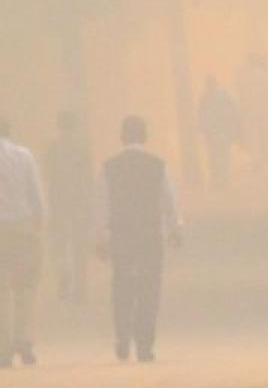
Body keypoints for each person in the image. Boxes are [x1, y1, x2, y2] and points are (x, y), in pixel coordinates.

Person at [98, 116, 183, 364]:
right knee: (149, 287)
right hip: (149, 234)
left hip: (121, 234)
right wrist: (174, 229)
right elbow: (168, 200)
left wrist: (100, 235)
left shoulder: (109, 167)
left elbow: (101, 204)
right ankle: (144, 344)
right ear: (145, 136)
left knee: (122, 284)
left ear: (122, 136)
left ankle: (122, 336)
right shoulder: (158, 166)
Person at [0, 118, 46, 367]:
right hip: (22, 228)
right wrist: (39, 224)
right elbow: (36, 192)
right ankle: (23, 339)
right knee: (25, 287)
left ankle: (3, 348)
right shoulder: (23, 155)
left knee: (1, 291)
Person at [42, 111, 94, 303]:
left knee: (60, 243)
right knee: (79, 245)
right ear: (75, 126)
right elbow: (88, 178)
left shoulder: (52, 149)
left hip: (58, 202)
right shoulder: (82, 148)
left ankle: (64, 273)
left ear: (59, 126)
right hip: (79, 202)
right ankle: (81, 288)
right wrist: (89, 203)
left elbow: (46, 175)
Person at [236, 52, 268, 165]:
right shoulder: (264, 74)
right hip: (264, 108)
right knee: (265, 132)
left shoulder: (243, 76)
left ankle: (256, 158)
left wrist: (243, 106)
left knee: (252, 134)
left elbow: (241, 93)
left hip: (249, 109)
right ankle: (266, 155)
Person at [198, 76, 242, 189]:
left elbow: (201, 114)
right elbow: (235, 110)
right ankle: (221, 179)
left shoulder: (206, 96)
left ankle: (218, 179)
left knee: (215, 155)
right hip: (221, 131)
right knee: (221, 154)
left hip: (214, 131)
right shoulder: (223, 95)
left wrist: (202, 128)